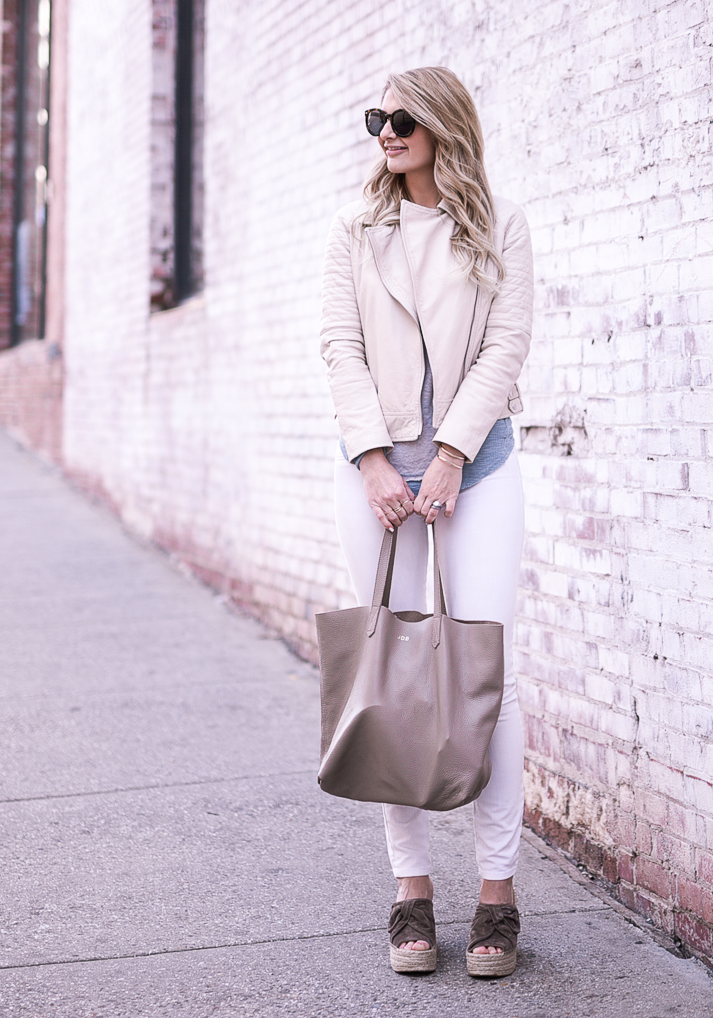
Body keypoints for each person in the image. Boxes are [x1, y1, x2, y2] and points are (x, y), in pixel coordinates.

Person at [320, 67, 534, 979]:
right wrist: (375, 460)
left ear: (443, 124)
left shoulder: (498, 224)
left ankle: (498, 889)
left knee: (487, 672)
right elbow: (340, 347)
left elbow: (506, 345)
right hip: (373, 483)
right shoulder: (352, 229)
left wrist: (448, 455)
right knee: (390, 671)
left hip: (475, 475)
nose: (387, 132)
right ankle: (412, 887)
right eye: (377, 119)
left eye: (402, 118)